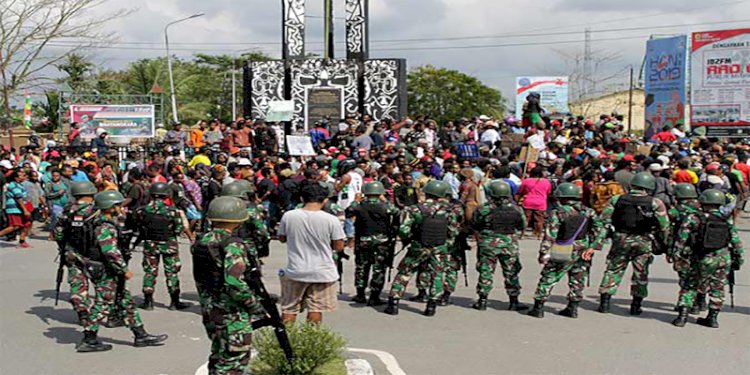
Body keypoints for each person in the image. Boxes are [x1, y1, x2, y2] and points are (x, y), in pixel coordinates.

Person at [80, 190, 167, 352]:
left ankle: (140, 334)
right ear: (109, 207)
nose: (120, 208)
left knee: (126, 302)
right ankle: (89, 338)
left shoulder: (102, 221)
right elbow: (110, 252)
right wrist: (123, 269)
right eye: (117, 205)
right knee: (103, 303)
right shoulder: (104, 226)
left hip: (108, 269)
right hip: (107, 270)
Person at [191, 196, 265, 373]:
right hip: (231, 312)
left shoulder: (201, 241)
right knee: (234, 360)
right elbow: (234, 283)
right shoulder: (232, 245)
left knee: (218, 355)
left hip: (210, 307)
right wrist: (255, 306)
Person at [593, 172, 670, 315]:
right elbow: (664, 226)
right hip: (644, 240)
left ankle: (605, 302)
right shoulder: (655, 203)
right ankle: (636, 305)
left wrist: (597, 243)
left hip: (621, 239)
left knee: (613, 269)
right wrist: (666, 246)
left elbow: (603, 220)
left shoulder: (617, 199)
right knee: (640, 273)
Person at [385, 180, 463, 317]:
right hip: (439, 247)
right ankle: (431, 306)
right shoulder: (449, 211)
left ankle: (394, 303)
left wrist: (408, 239)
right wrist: (446, 245)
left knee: (405, 272)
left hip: (419, 245)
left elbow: (403, 230)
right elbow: (454, 232)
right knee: (437, 275)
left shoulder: (415, 209)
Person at [670, 189, 744, 328]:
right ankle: (712, 318)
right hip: (722, 258)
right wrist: (739, 259)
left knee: (689, 286)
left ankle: (682, 317)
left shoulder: (693, 218)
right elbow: (735, 241)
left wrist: (677, 256)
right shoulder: (726, 218)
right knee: (718, 288)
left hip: (700, 257)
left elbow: (681, 239)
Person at [277, 181, 346, 323]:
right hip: (322, 271)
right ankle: (311, 340)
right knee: (315, 308)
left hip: (295, 270)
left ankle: (286, 341)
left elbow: (282, 238)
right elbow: (339, 246)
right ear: (325, 200)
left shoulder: (289, 216)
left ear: (302, 199)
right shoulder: (331, 220)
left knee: (289, 309)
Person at [527, 183, 598, 318]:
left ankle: (539, 307)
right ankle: (573, 308)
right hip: (582, 248)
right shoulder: (588, 211)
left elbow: (550, 235)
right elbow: (599, 229)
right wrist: (592, 246)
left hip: (562, 247)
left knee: (549, 276)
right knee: (578, 278)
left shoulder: (557, 213)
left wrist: (543, 253)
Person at [469, 180, 527, 311]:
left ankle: (482, 300)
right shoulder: (516, 208)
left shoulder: (483, 208)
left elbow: (474, 223)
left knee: (486, 271)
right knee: (511, 271)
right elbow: (522, 225)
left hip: (488, 243)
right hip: (509, 243)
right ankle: (514, 301)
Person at [135, 182, 190, 311]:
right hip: (169, 245)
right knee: (172, 273)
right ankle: (174, 302)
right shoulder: (173, 212)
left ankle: (148, 302)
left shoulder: (142, 211)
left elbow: (139, 226)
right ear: (166, 195)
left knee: (149, 273)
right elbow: (179, 229)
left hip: (150, 245)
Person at [346, 181, 399, 306]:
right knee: (379, 268)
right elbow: (396, 212)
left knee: (361, 267)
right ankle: (374, 296)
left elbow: (348, 212)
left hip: (363, 240)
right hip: (382, 241)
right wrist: (385, 200)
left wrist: (355, 200)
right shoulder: (385, 206)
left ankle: (360, 294)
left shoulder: (359, 206)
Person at [666, 183, 706, 320]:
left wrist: (671, 250)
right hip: (702, 248)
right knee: (700, 275)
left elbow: (669, 230)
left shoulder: (675, 210)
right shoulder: (701, 207)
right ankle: (700, 301)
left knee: (685, 277)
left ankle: (687, 303)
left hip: (684, 247)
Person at [220, 180, 270, 262]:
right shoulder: (249, 211)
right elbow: (262, 232)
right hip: (245, 246)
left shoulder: (217, 210)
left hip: (219, 247)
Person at [517, 166, 552, 239]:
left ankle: (522, 235)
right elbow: (548, 192)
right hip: (541, 202)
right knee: (539, 220)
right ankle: (539, 235)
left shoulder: (526, 181)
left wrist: (518, 200)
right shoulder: (546, 182)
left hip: (528, 201)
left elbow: (520, 191)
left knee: (526, 219)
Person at [0, 169, 32, 247]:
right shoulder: (13, 185)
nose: (24, 176)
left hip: (20, 208)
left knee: (27, 224)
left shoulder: (20, 185)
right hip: (14, 208)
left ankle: (22, 241)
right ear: (16, 178)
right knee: (15, 226)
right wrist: (25, 210)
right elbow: (19, 198)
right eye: (21, 175)